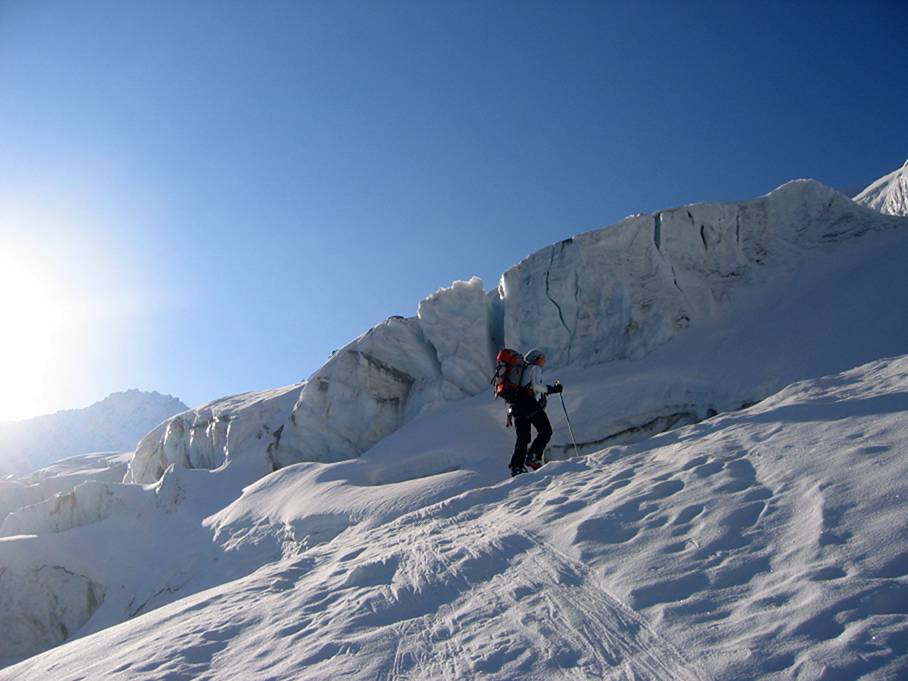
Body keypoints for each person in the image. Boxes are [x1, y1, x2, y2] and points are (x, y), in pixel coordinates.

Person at [508, 348, 563, 477]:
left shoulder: (520, 372)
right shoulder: (534, 368)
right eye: (543, 358)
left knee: (523, 438)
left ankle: (516, 467)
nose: (544, 361)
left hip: (516, 407)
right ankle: (533, 456)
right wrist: (552, 389)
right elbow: (536, 386)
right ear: (536, 359)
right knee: (545, 430)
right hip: (528, 404)